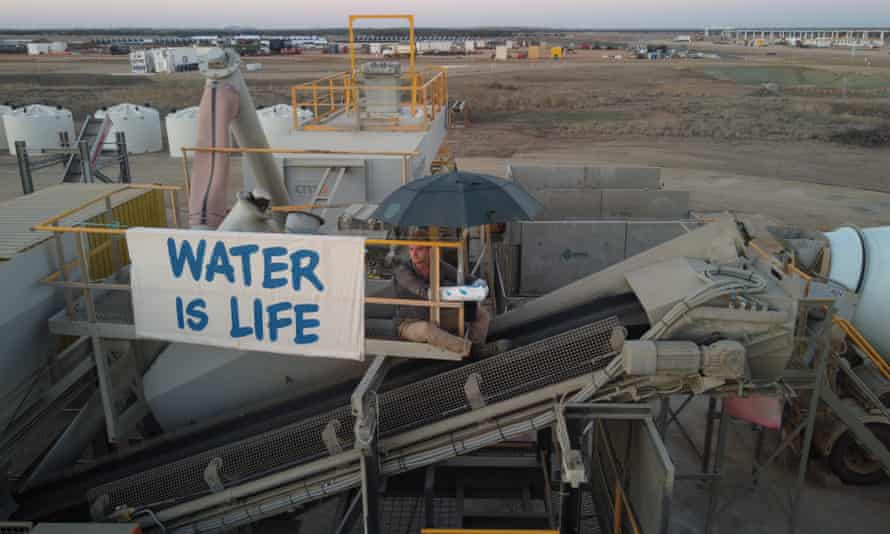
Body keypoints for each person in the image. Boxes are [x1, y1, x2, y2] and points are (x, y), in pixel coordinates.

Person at [393, 229, 490, 355]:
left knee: (481, 314)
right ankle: (473, 352)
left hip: (435, 316)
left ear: (429, 250)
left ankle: (475, 348)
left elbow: (466, 278)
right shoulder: (403, 271)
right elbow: (421, 289)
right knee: (427, 329)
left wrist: (479, 283)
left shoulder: (438, 265)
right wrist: (451, 293)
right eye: (411, 249)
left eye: (419, 249)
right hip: (409, 323)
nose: (414, 254)